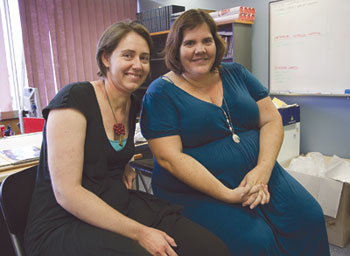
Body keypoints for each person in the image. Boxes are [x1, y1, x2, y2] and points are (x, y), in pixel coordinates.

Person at [23, 20, 230, 256]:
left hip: (112, 204)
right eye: (128, 55)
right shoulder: (74, 99)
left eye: (143, 58)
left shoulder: (131, 103)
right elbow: (67, 194)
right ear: (106, 58)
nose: (137, 65)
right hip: (63, 223)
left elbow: (109, 149)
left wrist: (123, 165)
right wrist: (140, 232)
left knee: (211, 248)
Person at [140, 9, 330, 256]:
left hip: (261, 176)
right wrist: (229, 195)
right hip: (201, 192)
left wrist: (262, 170)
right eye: (190, 43)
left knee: (309, 217)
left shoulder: (236, 73)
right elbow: (169, 158)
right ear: (176, 48)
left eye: (207, 41)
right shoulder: (160, 93)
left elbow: (271, 119)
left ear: (217, 44)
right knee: (255, 241)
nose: (200, 49)